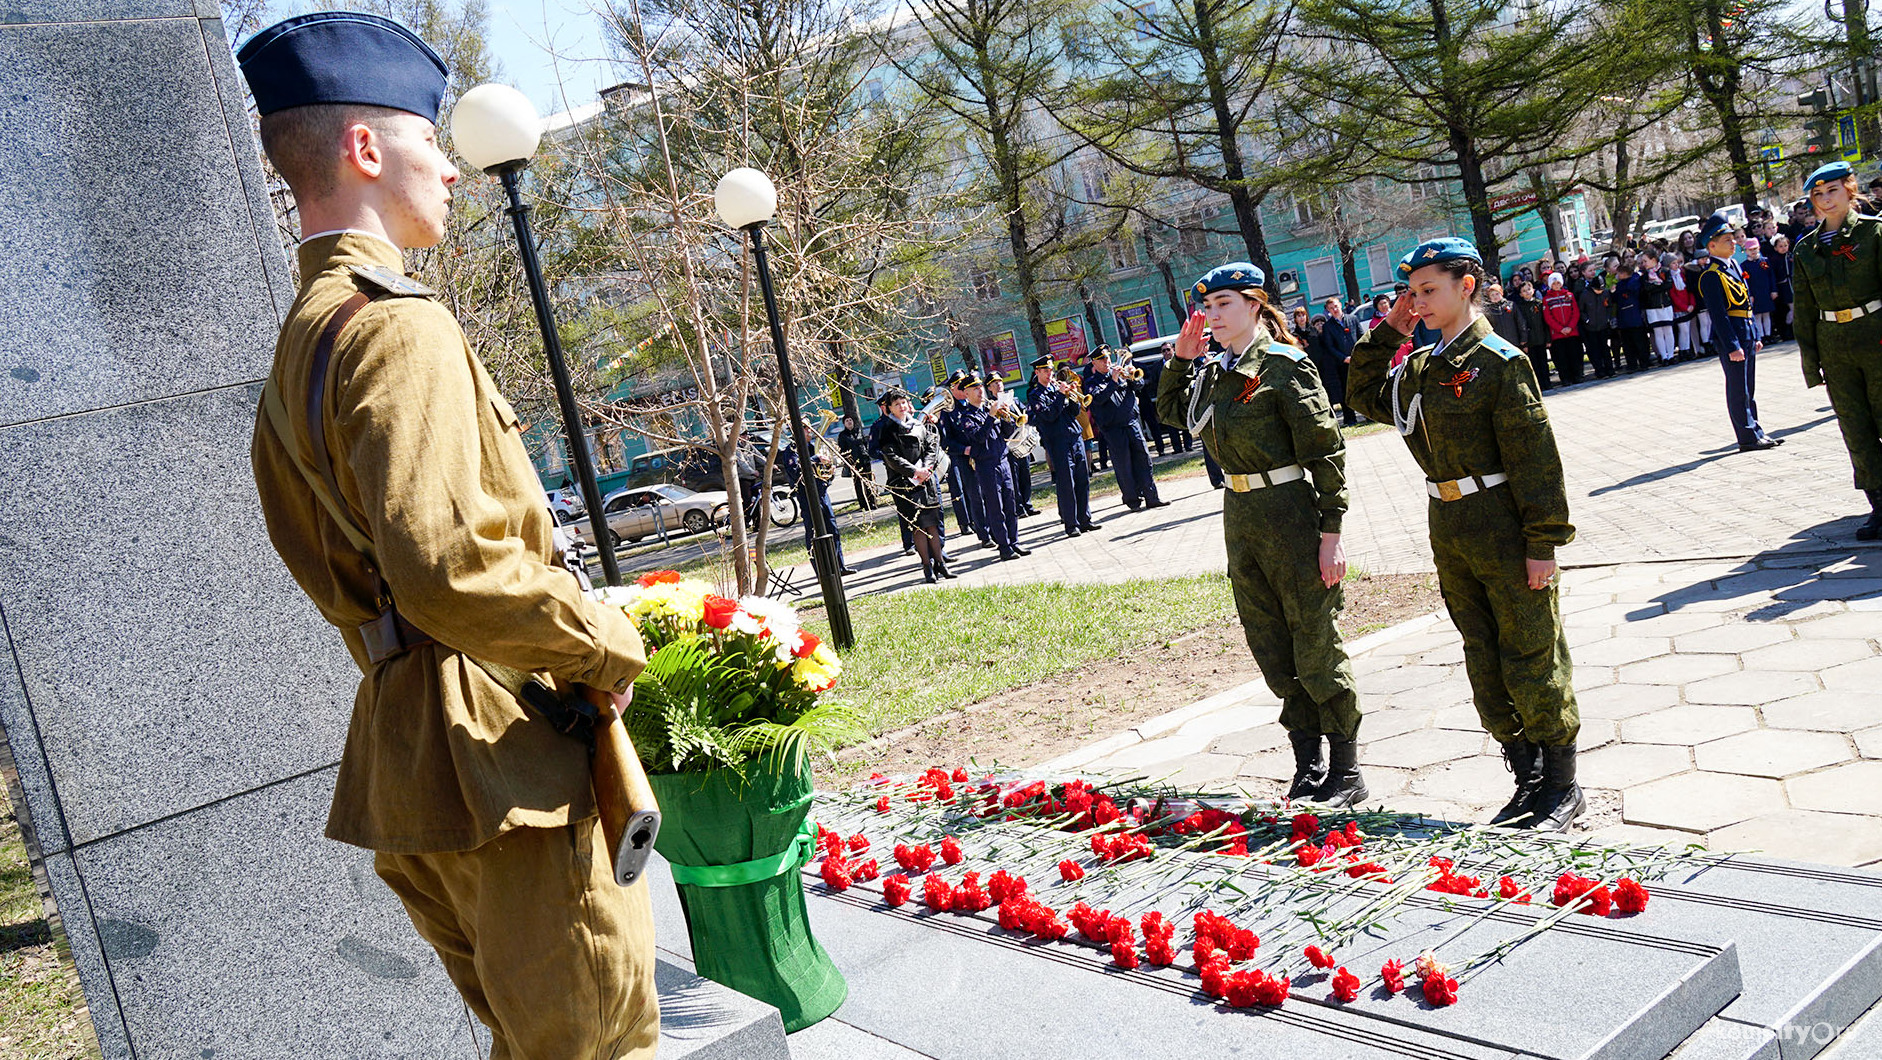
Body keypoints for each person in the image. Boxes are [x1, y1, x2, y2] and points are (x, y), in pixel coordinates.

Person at [237, 13, 660, 1055]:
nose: (453, 167)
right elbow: (447, 569)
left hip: (416, 757)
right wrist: (603, 639)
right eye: (428, 136)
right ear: (366, 150)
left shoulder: (304, 340)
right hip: (497, 753)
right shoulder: (394, 322)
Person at [1346, 238, 1583, 831]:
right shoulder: (1424, 365)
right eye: (1413, 292)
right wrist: (1390, 332)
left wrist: (1542, 544)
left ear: (1466, 285)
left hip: (1501, 521)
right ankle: (1525, 777)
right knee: (1482, 652)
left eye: (1429, 291)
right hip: (1449, 524)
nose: (1417, 302)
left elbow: (1536, 461)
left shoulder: (1502, 362)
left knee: (1529, 649)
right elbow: (1361, 395)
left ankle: (1562, 784)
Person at [1156, 262, 1366, 807]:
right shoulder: (1212, 372)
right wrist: (1180, 362)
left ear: (1254, 304)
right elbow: (1172, 413)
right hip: (1241, 515)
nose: (1212, 315)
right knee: (1270, 642)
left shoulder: (1284, 366)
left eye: (1224, 303)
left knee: (1315, 641)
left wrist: (1331, 531)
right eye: (1207, 307)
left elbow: (1325, 453)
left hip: (1291, 514)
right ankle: (1307, 759)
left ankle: (1346, 766)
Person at [1792, 160, 1882, 539]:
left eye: (1832, 191)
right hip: (1834, 343)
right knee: (1855, 427)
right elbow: (1805, 309)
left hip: (1875, 335)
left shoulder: (1874, 233)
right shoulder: (1806, 249)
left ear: (1850, 188)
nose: (1825, 201)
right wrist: (1812, 364)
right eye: (1817, 195)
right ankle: (1879, 505)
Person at [1696, 212, 1780, 454]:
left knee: (1749, 387)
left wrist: (1755, 336)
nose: (1733, 243)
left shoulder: (1732, 265)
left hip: (1746, 332)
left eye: (1733, 238)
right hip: (1732, 336)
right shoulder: (1712, 275)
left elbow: (1745, 304)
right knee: (1738, 388)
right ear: (1711, 245)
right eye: (1727, 240)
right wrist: (1732, 345)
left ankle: (1756, 430)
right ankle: (1746, 437)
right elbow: (1719, 315)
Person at [877, 390, 957, 581]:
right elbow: (891, 457)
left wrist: (927, 467)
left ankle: (941, 564)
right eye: (897, 404)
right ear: (889, 408)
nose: (902, 406)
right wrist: (915, 472)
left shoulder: (918, 424)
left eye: (904, 402)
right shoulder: (887, 430)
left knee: (933, 525)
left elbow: (931, 446)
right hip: (905, 484)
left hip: (925, 480)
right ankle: (927, 567)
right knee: (919, 527)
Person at [955, 373, 1032, 560]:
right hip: (986, 465)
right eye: (975, 388)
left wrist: (1005, 416)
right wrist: (991, 417)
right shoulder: (966, 417)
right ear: (966, 393)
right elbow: (979, 438)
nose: (980, 390)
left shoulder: (990, 408)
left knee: (1011, 504)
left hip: (1003, 460)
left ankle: (1014, 542)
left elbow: (1007, 433)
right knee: (995, 508)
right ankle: (1004, 547)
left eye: (980, 387)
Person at [1085, 347, 1167, 511]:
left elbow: (1139, 386)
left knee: (1144, 460)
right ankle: (1133, 501)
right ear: (1094, 363)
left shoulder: (1121, 374)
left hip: (1132, 423)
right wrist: (1113, 381)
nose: (1107, 361)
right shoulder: (1091, 383)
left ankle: (1152, 497)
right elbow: (1100, 399)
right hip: (1113, 430)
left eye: (1108, 358)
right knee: (1124, 466)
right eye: (1102, 359)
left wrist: (1133, 376)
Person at [1027, 356, 1101, 536]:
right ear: (1037, 373)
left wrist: (1073, 396)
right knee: (1067, 482)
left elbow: (1074, 412)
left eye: (1050, 369)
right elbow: (1049, 415)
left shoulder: (1058, 388)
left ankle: (1085, 519)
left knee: (1083, 479)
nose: (1049, 373)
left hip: (1075, 436)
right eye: (1045, 370)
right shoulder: (1035, 394)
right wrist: (1061, 395)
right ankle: (1071, 524)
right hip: (1057, 441)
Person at [986, 375, 1040, 515]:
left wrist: (1027, 416)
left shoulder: (1013, 399)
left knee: (1025, 475)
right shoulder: (991, 405)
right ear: (989, 388)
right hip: (1007, 446)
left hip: (1021, 443)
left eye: (999, 381)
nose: (998, 385)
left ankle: (1028, 504)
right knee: (1014, 479)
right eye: (994, 383)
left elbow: (1026, 414)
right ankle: (1019, 507)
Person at [1316, 296, 1359, 426]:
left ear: (1340, 305)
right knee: (1346, 392)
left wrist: (1358, 355)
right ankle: (1350, 418)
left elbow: (1362, 337)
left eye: (1335, 306)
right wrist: (1344, 358)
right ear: (1328, 310)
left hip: (1357, 361)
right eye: (1331, 308)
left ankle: (1369, 415)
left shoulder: (1353, 319)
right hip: (1342, 364)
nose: (1334, 309)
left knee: (1362, 388)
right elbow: (1330, 347)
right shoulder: (1328, 327)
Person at [1541, 272, 1584, 385]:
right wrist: (1560, 329)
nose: (1556, 285)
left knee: (1574, 354)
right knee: (1561, 357)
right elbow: (1548, 317)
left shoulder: (1569, 295)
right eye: (1553, 283)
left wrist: (1570, 327)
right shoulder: (1547, 299)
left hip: (1572, 332)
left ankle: (1577, 375)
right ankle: (1565, 378)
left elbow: (1575, 312)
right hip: (1558, 334)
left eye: (1558, 282)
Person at [1574, 262, 1615, 379]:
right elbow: (1581, 309)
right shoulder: (1583, 292)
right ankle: (1599, 370)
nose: (1599, 292)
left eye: (1594, 270)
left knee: (1605, 348)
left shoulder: (1604, 292)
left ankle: (1609, 369)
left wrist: (1608, 318)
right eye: (1589, 270)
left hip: (1602, 324)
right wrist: (1586, 320)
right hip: (1590, 326)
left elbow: (1609, 306)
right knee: (1594, 349)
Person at [1612, 261, 1651, 373]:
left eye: (1619, 273)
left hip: (1635, 317)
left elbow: (1635, 292)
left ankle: (1644, 362)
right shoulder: (1619, 285)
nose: (1617, 276)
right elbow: (1615, 298)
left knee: (1640, 342)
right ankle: (1631, 364)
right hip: (1624, 320)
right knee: (1627, 344)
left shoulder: (1635, 281)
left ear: (1624, 273)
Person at [1513, 279, 1552, 389]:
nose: (1527, 292)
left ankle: (1547, 383)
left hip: (1541, 338)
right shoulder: (1519, 307)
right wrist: (1524, 343)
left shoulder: (1539, 304)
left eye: (1529, 289)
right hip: (1529, 341)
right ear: (1520, 294)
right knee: (1534, 364)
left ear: (1533, 290)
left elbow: (1545, 323)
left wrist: (1548, 339)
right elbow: (1520, 325)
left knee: (1543, 362)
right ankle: (1539, 385)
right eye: (1524, 291)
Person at [836, 414, 877, 510]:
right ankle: (863, 504)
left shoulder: (859, 431)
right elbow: (842, 450)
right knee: (858, 484)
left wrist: (867, 453)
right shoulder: (842, 436)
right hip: (854, 463)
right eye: (847, 421)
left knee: (869, 482)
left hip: (865, 460)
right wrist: (849, 462)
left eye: (850, 420)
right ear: (844, 424)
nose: (849, 422)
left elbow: (865, 443)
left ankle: (872, 502)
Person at [1743, 238, 1776, 342]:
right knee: (1757, 316)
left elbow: (1771, 276)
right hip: (1755, 293)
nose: (1753, 251)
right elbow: (1745, 282)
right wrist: (1750, 295)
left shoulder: (1764, 262)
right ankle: (1760, 336)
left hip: (1765, 291)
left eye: (1755, 249)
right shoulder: (1744, 266)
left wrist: (1774, 290)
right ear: (1746, 251)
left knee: (1766, 315)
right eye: (1750, 249)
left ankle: (1768, 335)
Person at [1769, 233, 1795, 342]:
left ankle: (1794, 330)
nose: (1783, 248)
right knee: (1785, 309)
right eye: (1780, 246)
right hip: (1782, 287)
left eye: (1785, 245)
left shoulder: (1791, 256)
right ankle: (1786, 331)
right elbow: (1773, 275)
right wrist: (1774, 289)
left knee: (1794, 307)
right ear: (1775, 248)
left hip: (1792, 285)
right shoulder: (1774, 259)